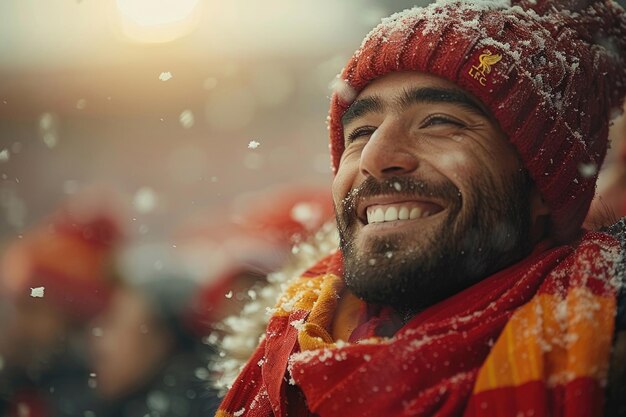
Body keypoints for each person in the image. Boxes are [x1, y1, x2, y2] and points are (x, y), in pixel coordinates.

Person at [216, 0, 626, 416]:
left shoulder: (610, 347)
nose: (375, 157)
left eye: (439, 121)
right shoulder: (279, 367)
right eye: (361, 131)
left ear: (543, 183)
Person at [0, 193, 124, 417]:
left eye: (34, 309)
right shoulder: (18, 381)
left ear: (73, 319)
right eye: (19, 306)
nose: (19, 324)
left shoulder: (89, 401)